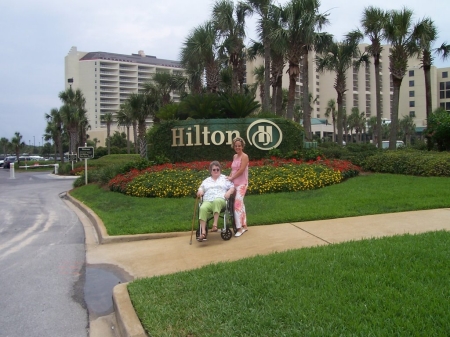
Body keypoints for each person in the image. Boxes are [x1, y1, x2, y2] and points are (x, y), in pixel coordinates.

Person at [197, 161, 235, 242]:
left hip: (220, 200)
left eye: (218, 169)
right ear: (211, 171)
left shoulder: (224, 178)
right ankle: (203, 233)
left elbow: (232, 187)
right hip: (208, 201)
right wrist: (200, 191)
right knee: (203, 208)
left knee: (216, 201)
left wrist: (228, 192)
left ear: (220, 170)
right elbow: (201, 188)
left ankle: (215, 225)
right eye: (214, 170)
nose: (216, 171)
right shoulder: (206, 180)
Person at [227, 137, 249, 237]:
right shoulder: (234, 156)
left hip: (242, 184)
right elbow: (234, 169)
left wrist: (232, 178)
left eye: (239, 146)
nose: (237, 147)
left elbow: (241, 170)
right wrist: (230, 177)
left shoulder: (244, 157)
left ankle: (239, 228)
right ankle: (245, 225)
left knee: (237, 205)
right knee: (241, 205)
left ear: (242, 146)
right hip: (234, 184)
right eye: (236, 146)